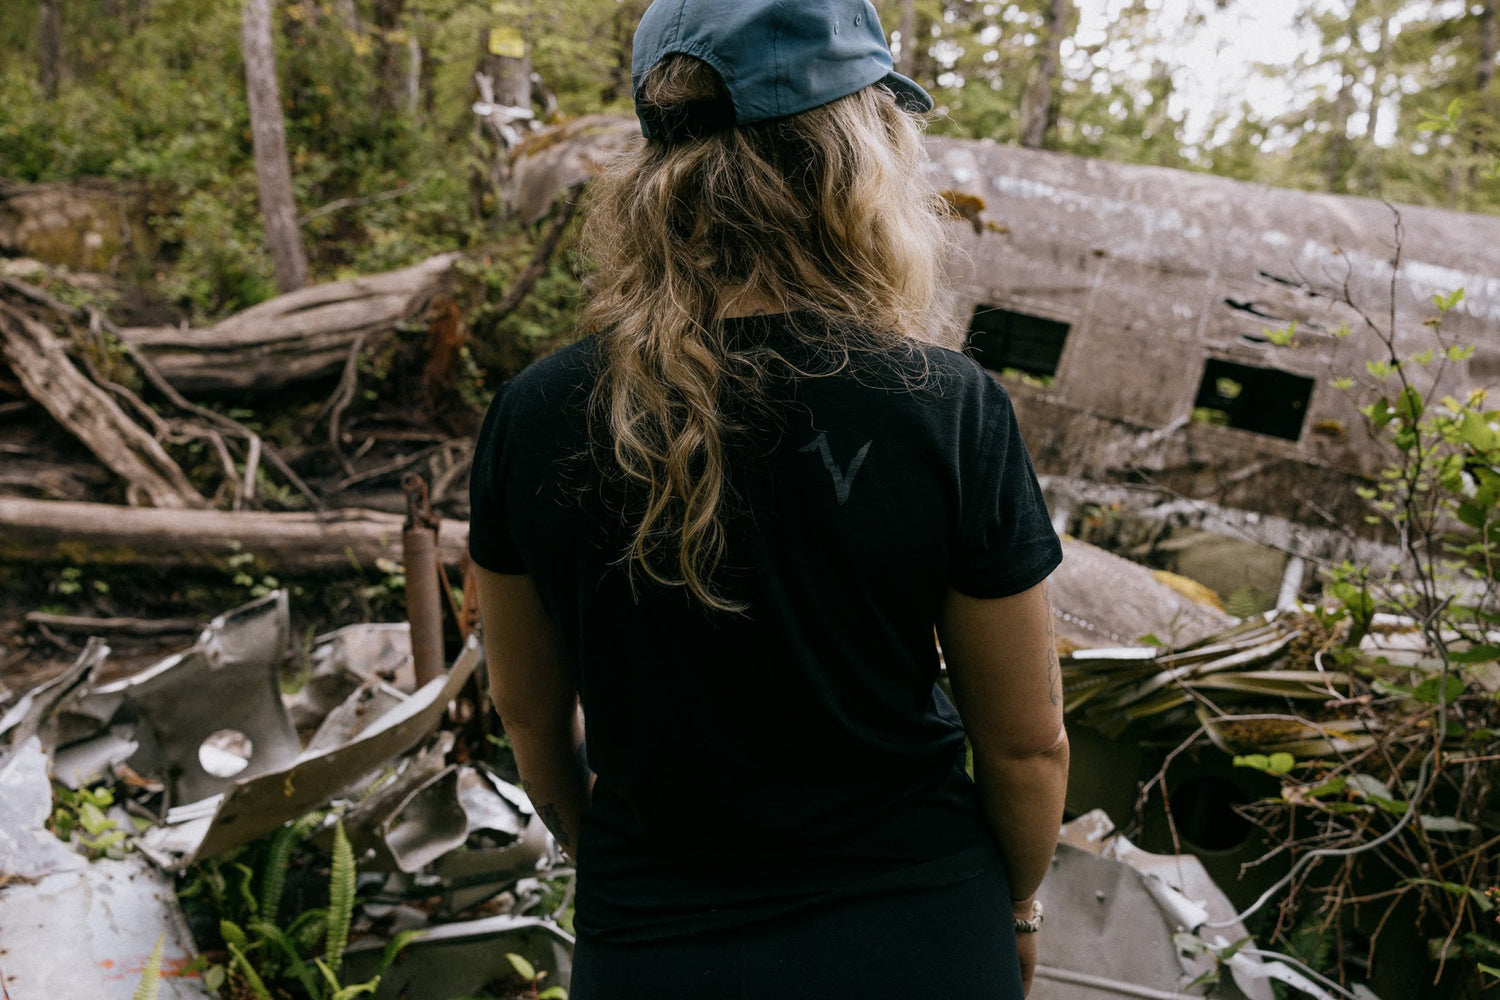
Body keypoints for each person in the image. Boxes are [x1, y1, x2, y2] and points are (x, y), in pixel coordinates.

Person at [467, 1, 1069, 997]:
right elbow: (1026, 741)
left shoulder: (533, 415)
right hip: (919, 937)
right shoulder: (948, 407)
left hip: (655, 945)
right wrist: (1017, 904)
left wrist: (621, 872)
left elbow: (530, 718)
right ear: (857, 155)